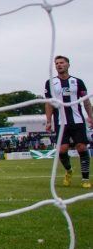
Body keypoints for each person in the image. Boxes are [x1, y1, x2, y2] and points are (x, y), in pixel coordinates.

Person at [44, 55, 93, 188]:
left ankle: (85, 179)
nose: (59, 65)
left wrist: (90, 116)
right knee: (62, 150)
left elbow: (86, 101)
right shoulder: (50, 83)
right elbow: (48, 104)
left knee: (81, 147)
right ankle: (69, 171)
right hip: (61, 122)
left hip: (77, 121)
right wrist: (48, 120)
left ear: (68, 65)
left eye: (62, 63)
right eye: (57, 63)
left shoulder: (78, 82)